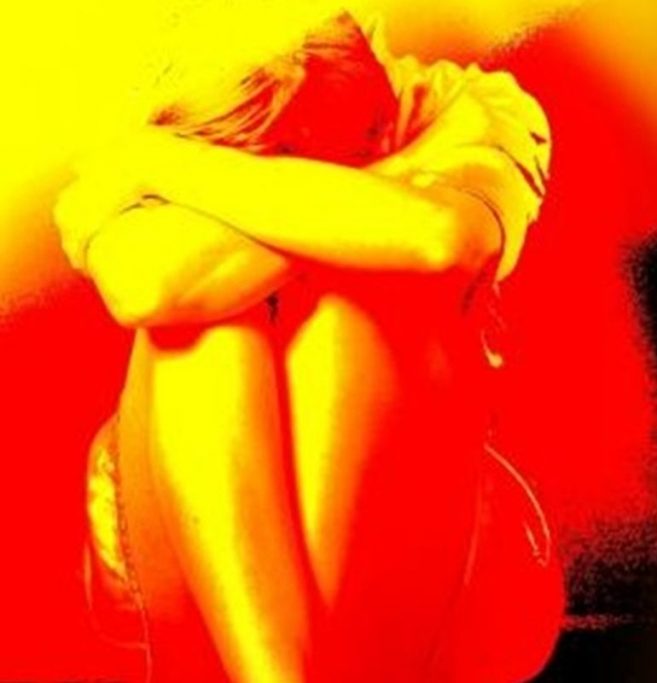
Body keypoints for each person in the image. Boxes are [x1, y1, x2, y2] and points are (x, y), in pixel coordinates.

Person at [55, 12, 562, 682]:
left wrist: (178, 176)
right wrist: (377, 196)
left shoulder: (472, 106)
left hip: (443, 561)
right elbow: (150, 285)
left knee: (351, 313)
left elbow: (445, 239)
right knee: (203, 332)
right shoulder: (160, 119)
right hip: (180, 556)